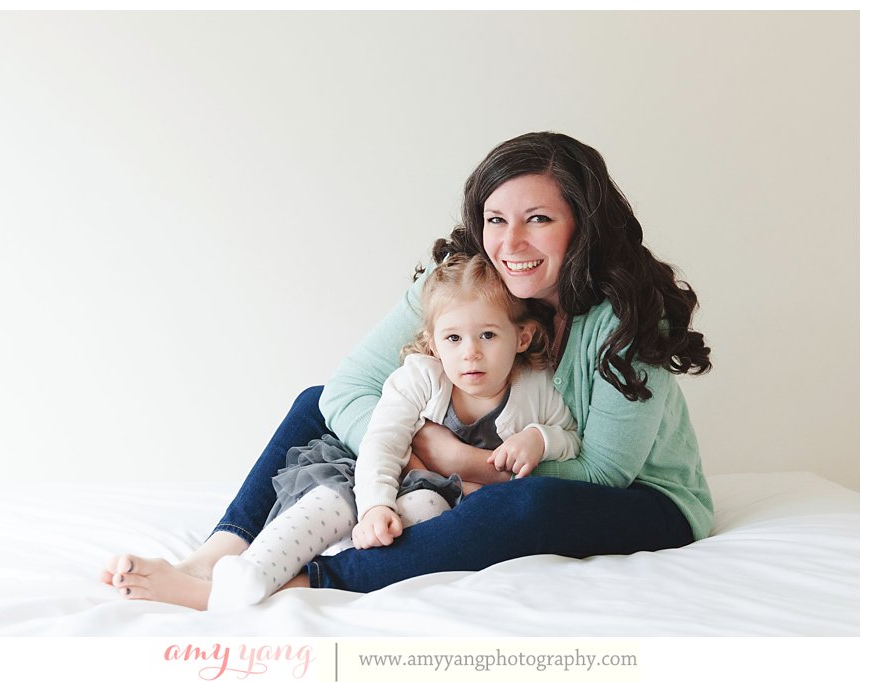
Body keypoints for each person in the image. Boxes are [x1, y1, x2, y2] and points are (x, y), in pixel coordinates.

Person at [102, 130, 713, 608]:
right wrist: (413, 440)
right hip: (472, 459)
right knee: (315, 401)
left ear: (583, 225)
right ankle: (215, 556)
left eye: (540, 219)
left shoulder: (627, 314)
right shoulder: (464, 284)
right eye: (497, 220)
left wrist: (459, 461)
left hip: (641, 497)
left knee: (524, 509)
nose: (512, 244)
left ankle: (298, 584)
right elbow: (348, 389)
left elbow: (604, 472)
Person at [205, 253, 580, 606]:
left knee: (424, 507)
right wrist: (374, 505)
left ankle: (344, 564)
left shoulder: (536, 389)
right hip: (372, 472)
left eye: (488, 336)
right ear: (434, 343)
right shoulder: (420, 377)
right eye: (454, 338)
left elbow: (571, 440)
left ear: (523, 337)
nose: (470, 353)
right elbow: (382, 444)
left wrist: (541, 439)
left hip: (439, 495)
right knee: (334, 501)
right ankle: (254, 569)